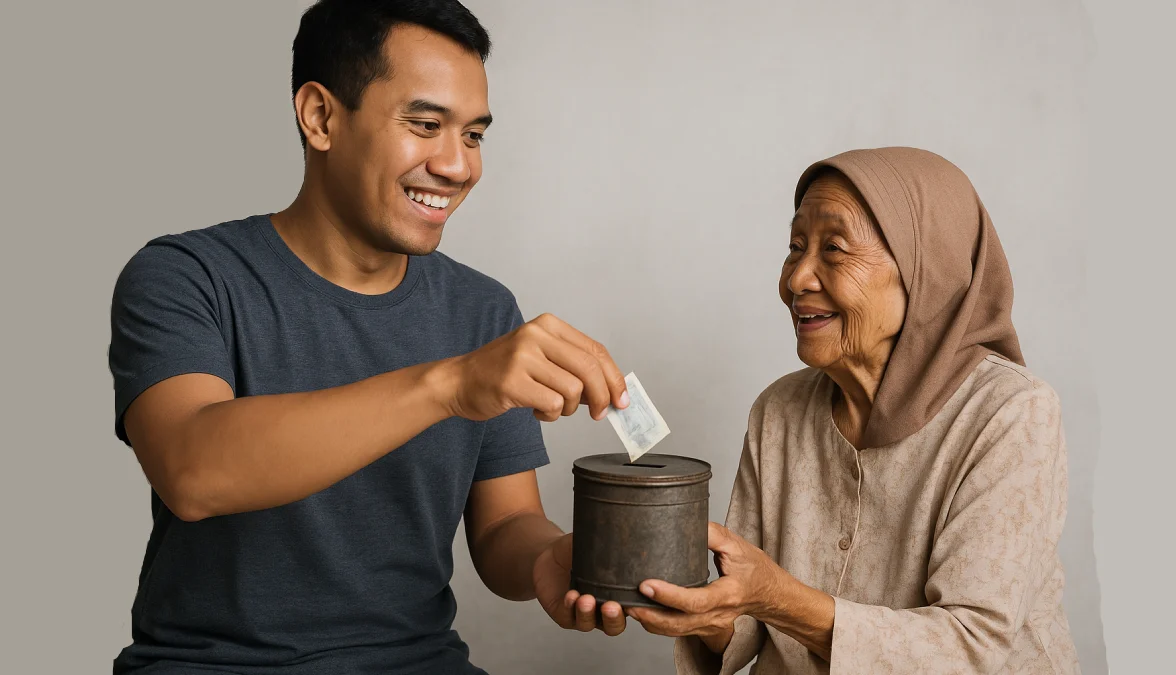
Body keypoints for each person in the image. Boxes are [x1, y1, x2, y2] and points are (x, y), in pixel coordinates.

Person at [107, 2, 629, 673]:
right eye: (425, 124)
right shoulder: (186, 277)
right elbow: (193, 469)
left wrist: (548, 557)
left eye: (473, 135)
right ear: (321, 117)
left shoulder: (482, 310)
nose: (458, 166)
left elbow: (503, 526)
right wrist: (452, 384)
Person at [627, 147, 1082, 674]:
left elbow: (969, 645)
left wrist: (775, 596)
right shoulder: (779, 410)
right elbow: (749, 618)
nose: (798, 278)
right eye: (795, 247)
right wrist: (702, 611)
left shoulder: (1010, 414)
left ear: (925, 268)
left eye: (835, 249)